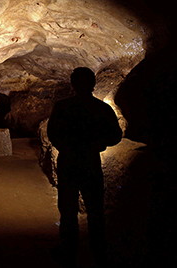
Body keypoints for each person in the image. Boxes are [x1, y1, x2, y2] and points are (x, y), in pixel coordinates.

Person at [47, 67, 122, 268]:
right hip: (90, 162)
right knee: (95, 208)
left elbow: (52, 133)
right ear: (93, 84)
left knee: (68, 208)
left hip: (69, 162)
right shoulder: (101, 108)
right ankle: (98, 251)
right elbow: (116, 136)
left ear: (73, 84)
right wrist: (99, 144)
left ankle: (68, 250)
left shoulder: (63, 107)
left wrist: (66, 146)